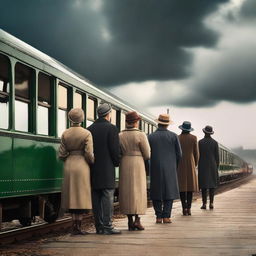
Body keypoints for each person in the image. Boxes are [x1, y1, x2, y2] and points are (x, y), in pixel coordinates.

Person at [58, 108, 94, 235]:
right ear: (82, 119)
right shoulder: (86, 133)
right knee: (81, 196)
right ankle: (78, 226)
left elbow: (61, 154)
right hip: (82, 165)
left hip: (69, 164)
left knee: (71, 196)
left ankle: (73, 225)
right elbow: (89, 153)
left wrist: (69, 158)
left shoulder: (65, 133)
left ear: (70, 118)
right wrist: (91, 162)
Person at [87, 103, 121, 235]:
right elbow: (114, 149)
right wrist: (116, 162)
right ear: (109, 114)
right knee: (107, 196)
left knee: (96, 197)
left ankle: (99, 226)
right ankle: (107, 226)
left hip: (94, 168)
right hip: (107, 168)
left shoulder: (89, 129)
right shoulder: (112, 128)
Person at [119, 111, 150, 231]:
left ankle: (129, 221)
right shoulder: (141, 135)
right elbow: (147, 154)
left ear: (127, 122)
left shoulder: (120, 135)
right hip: (138, 164)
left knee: (127, 191)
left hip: (125, 163)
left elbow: (119, 151)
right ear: (136, 122)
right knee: (138, 191)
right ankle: (137, 220)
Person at [148, 114, 182, 224]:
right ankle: (166, 217)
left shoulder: (150, 136)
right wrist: (173, 164)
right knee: (169, 191)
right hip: (170, 167)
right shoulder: (174, 136)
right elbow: (179, 154)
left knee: (156, 191)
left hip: (155, 167)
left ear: (158, 123)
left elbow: (147, 154)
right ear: (167, 124)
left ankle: (158, 216)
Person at [177, 121, 199, 216]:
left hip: (180, 164)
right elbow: (197, 153)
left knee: (182, 188)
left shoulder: (177, 138)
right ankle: (189, 208)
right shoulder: (194, 138)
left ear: (182, 128)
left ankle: (183, 208)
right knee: (190, 187)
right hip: (190, 163)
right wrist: (195, 163)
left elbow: (176, 152)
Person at [198, 125, 219, 210]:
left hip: (203, 165)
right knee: (212, 186)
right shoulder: (215, 143)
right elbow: (217, 157)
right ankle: (211, 203)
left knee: (204, 186)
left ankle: (204, 204)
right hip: (212, 165)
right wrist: (216, 166)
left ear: (204, 132)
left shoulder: (200, 142)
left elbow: (198, 155)